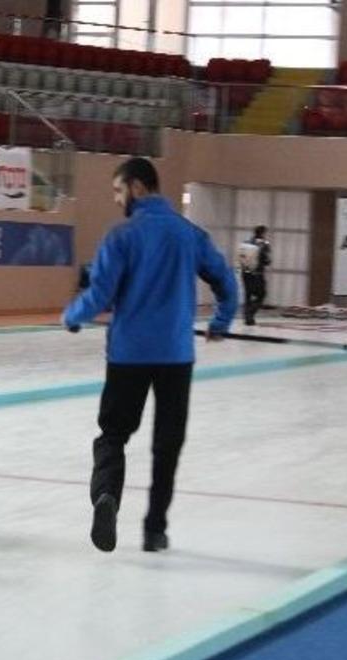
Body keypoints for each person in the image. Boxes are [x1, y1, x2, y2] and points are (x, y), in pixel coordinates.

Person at [62, 157, 237, 554]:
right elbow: (226, 281)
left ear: (138, 187)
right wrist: (221, 322)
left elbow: (100, 294)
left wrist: (72, 316)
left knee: (113, 435)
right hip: (176, 356)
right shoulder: (189, 234)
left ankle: (107, 496)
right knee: (167, 446)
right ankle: (155, 530)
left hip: (128, 355)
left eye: (119, 191)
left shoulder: (121, 235)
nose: (117, 199)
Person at [237, 225, 272, 326]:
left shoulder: (246, 243)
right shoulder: (264, 244)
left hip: (245, 273)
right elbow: (267, 261)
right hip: (257, 274)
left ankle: (247, 318)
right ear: (263, 233)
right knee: (261, 294)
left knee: (248, 295)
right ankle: (250, 314)